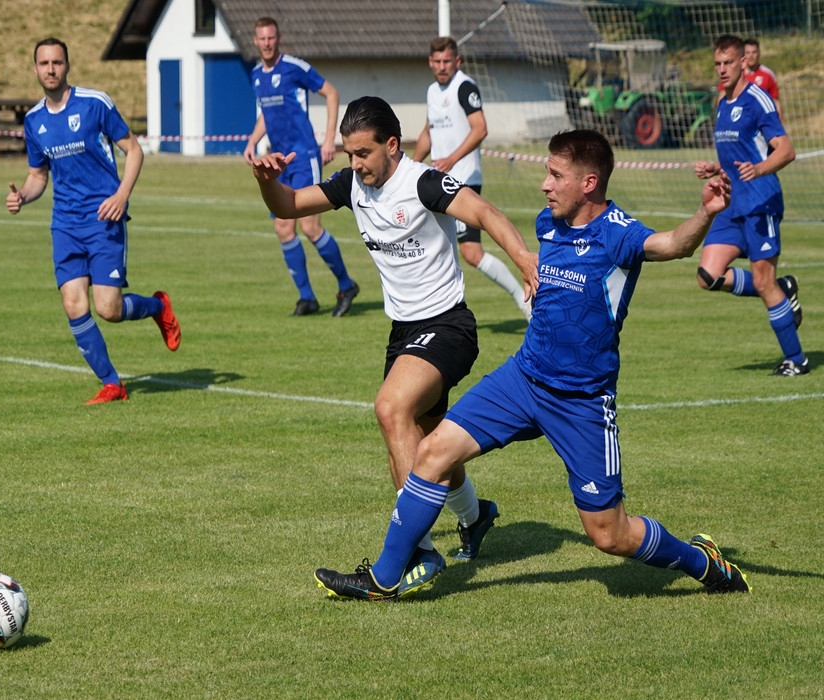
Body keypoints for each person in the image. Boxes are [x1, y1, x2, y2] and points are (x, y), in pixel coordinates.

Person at [314, 128, 751, 601]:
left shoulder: (619, 233)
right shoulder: (549, 222)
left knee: (610, 535)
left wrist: (705, 213)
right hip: (522, 379)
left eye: (556, 175)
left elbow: (674, 245)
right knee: (433, 452)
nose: (545, 184)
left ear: (588, 183)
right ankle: (384, 578)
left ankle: (702, 562)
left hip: (581, 400)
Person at [252, 96, 538, 597]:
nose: (356, 164)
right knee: (424, 445)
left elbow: (483, 210)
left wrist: (523, 258)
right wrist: (266, 181)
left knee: (391, 409)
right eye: (349, 154)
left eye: (363, 153)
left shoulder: (423, 182)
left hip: (448, 327)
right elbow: (288, 205)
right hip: (403, 333)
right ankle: (475, 516)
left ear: (391, 145)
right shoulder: (351, 185)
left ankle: (417, 554)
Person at [5, 37, 181, 405]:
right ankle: (112, 384)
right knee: (74, 304)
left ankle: (157, 307)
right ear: (35, 69)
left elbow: (133, 150)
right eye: (44, 63)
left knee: (108, 309)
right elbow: (38, 176)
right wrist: (22, 196)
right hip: (65, 224)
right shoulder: (34, 120)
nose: (50, 69)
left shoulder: (94, 103)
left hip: (103, 219)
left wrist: (121, 195)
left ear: (67, 66)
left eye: (57, 62)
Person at [695, 34, 806, 377]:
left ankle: (796, 360)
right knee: (708, 276)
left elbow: (786, 150)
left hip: (760, 201)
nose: (722, 69)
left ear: (743, 61)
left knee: (763, 280)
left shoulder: (758, 99)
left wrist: (758, 169)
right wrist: (716, 167)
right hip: (731, 204)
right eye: (717, 63)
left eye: (728, 62)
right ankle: (782, 288)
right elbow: (740, 150)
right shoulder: (722, 103)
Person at [243, 16, 359, 317]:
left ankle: (346, 285)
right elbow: (267, 113)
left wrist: (329, 139)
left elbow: (331, 92)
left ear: (278, 38)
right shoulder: (256, 75)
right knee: (283, 227)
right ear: (255, 41)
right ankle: (307, 298)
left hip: (304, 156)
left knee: (310, 226)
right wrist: (252, 141)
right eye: (262, 38)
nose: (267, 43)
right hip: (278, 163)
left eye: (271, 38)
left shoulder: (294, 67)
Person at [413, 37, 531, 321]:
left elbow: (480, 128)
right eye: (437, 61)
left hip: (463, 179)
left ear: (457, 61)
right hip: (438, 180)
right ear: (430, 62)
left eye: (447, 61)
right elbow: (428, 132)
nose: (442, 67)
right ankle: (435, 311)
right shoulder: (432, 91)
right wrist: (411, 165)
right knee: (432, 244)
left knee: (471, 252)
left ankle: (525, 301)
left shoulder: (464, 86)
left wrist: (452, 159)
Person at [715, 38, 782, 119]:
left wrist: (778, 121)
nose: (751, 56)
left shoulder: (768, 74)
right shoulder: (735, 74)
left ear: (759, 53)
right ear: (743, 55)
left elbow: (775, 100)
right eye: (748, 52)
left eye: (754, 52)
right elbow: (722, 96)